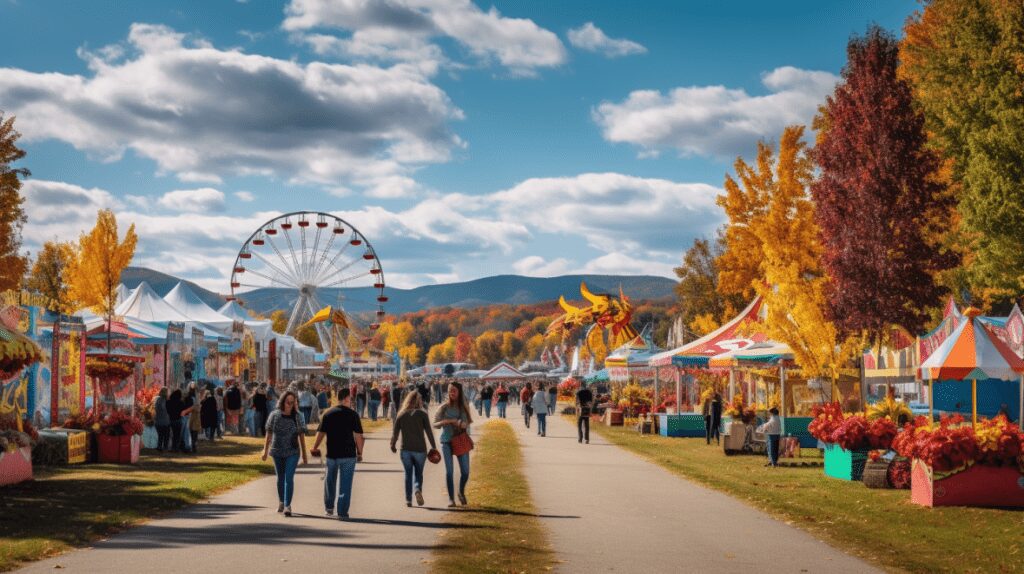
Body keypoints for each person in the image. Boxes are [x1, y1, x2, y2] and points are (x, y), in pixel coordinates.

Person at [311, 388, 363, 519]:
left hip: (332, 454)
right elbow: (359, 436)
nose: (351, 401)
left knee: (330, 482)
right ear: (346, 398)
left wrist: (315, 447)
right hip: (348, 455)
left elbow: (321, 433)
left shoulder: (328, 414)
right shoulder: (353, 415)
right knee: (345, 484)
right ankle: (342, 511)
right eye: (350, 399)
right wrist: (360, 452)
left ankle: (329, 508)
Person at [262, 391, 308, 516]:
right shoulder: (274, 415)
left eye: (293, 402)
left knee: (289, 478)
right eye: (288, 401)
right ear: (283, 401)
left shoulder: (298, 416)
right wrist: (265, 450)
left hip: (292, 451)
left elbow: (302, 435)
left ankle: (288, 506)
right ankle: (281, 501)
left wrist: (304, 454)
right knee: (280, 478)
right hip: (277, 450)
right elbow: (269, 433)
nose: (290, 404)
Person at [390, 391, 437, 507]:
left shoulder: (401, 414)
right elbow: (429, 432)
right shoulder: (423, 414)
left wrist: (393, 445)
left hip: (405, 449)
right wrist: (434, 447)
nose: (421, 401)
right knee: (419, 474)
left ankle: (408, 500)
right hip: (420, 450)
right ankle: (417, 489)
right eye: (420, 399)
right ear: (418, 401)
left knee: (408, 474)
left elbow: (395, 434)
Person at [433, 382, 472, 507]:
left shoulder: (463, 408)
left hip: (460, 440)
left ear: (459, 392)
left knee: (465, 472)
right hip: (446, 441)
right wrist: (448, 421)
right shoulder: (444, 407)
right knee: (449, 472)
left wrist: (459, 423)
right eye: (450, 390)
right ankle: (451, 499)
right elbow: (435, 423)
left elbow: (466, 424)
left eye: (454, 390)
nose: (452, 393)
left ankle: (461, 491)